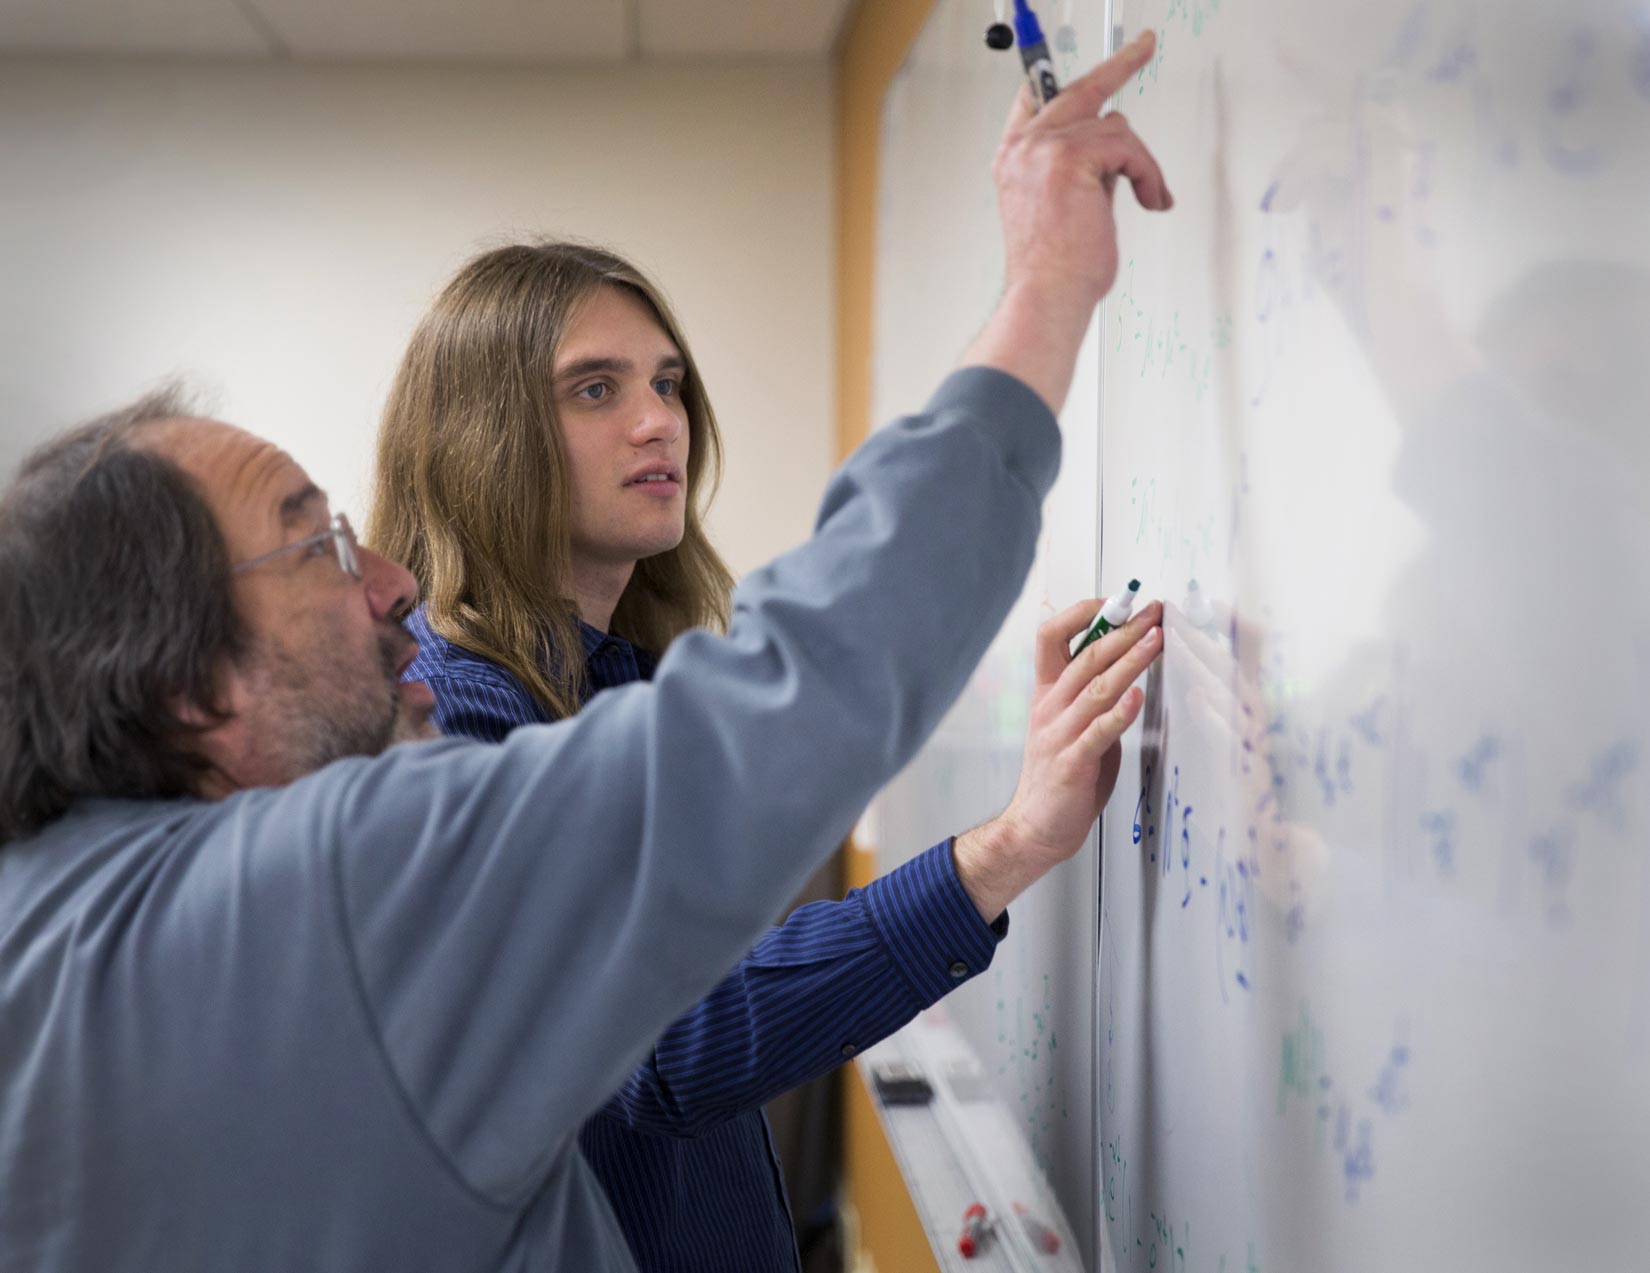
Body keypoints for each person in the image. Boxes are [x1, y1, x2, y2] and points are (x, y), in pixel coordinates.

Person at [0, 35, 1170, 1273]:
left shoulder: (44, 918)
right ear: (184, 684)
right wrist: (1045, 286)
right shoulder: (361, 844)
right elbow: (798, 704)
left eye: (664, 382)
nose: (391, 582)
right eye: (314, 550)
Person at [366, 235, 1151, 1271]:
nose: (659, 422)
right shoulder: (450, 719)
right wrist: (1005, 848)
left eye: (668, 382)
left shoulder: (625, 677)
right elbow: (670, 1050)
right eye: (594, 389)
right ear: (480, 439)